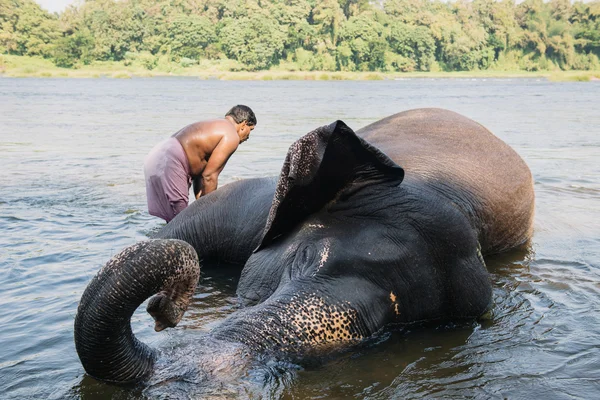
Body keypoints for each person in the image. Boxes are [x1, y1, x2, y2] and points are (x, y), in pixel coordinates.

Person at [144, 105, 256, 222]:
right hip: (171, 160)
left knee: (175, 221)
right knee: (182, 225)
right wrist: (209, 214)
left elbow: (201, 173)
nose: (248, 136)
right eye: (251, 130)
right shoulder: (231, 135)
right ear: (244, 124)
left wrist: (200, 202)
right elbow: (209, 176)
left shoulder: (215, 126)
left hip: (158, 155)